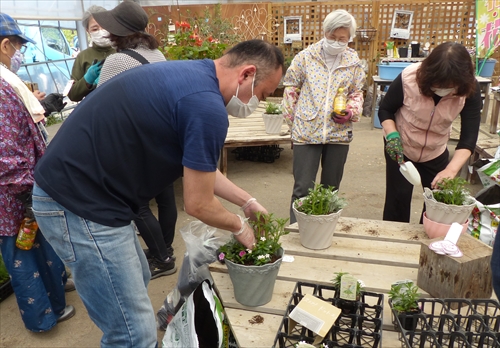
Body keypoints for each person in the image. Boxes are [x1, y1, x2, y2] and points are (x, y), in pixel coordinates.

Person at [32, 39, 283, 347]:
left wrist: (247, 201)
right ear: (247, 74)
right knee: (132, 333)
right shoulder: (206, 106)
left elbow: (199, 167)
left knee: (138, 279)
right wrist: (239, 225)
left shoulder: (194, 76)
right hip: (78, 203)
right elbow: (198, 203)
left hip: (89, 192)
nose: (259, 101)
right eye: (262, 93)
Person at [0, 12, 75, 332]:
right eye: (17, 46)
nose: (20, 55)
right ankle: (43, 317)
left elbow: (17, 126)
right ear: (5, 45)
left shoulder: (6, 84)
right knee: (22, 255)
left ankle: (55, 299)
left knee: (38, 244)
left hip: (23, 187)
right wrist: (31, 185)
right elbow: (4, 154)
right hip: (12, 194)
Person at [93, 1, 177, 279]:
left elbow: (99, 103)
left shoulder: (117, 60)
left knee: (136, 204)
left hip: (136, 142)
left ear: (119, 30)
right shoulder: (158, 54)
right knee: (165, 198)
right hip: (164, 136)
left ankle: (162, 259)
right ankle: (165, 248)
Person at [378, 42, 482, 223]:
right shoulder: (409, 78)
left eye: (449, 86)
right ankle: (394, 243)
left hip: (435, 150)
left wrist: (451, 169)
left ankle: (427, 242)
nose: (442, 89)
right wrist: (392, 135)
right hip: (402, 147)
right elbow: (385, 109)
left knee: (437, 205)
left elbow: (468, 138)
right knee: (397, 199)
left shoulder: (469, 89)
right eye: (438, 84)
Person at [282, 9, 365, 223]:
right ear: (325, 32)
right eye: (332, 37)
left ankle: (323, 230)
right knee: (302, 189)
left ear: (349, 38)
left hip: (338, 134)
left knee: (331, 190)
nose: (337, 42)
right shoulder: (306, 57)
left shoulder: (353, 62)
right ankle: (296, 231)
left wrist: (351, 111)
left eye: (342, 39)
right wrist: (293, 128)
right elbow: (291, 90)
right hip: (306, 132)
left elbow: (357, 92)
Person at [66, 5, 115, 102]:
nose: (101, 32)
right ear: (88, 31)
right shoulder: (83, 56)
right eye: (95, 29)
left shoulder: (122, 50)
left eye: (104, 26)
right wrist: (87, 80)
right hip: (97, 108)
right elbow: (72, 95)